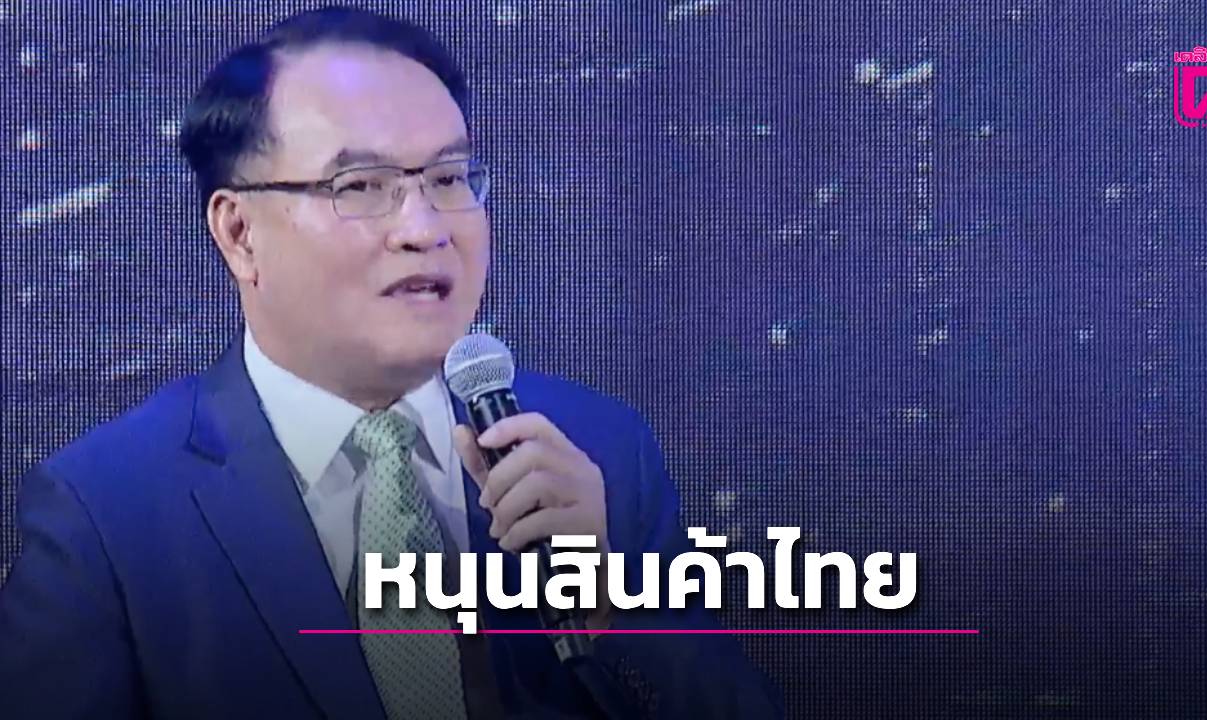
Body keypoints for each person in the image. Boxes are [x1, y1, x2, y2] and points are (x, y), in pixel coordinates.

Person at [0, 5, 781, 719]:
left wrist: (610, 609)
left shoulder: (596, 450)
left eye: (448, 178)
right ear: (239, 233)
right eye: (362, 185)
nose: (424, 227)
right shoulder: (107, 512)